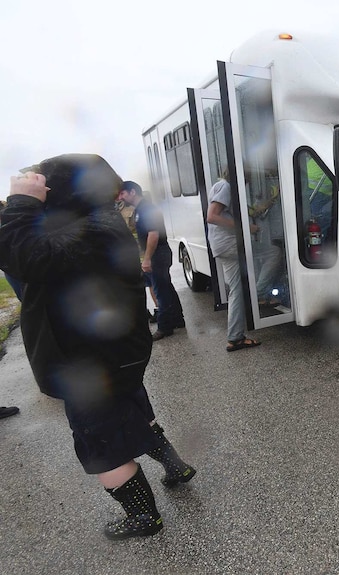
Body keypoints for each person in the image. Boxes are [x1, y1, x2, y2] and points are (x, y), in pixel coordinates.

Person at [0, 155, 196, 540]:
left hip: (92, 367)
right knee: (136, 417)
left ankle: (144, 518)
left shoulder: (83, 233)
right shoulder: (98, 223)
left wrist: (21, 202)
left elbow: (19, 256)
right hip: (115, 359)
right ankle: (177, 467)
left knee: (101, 444)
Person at [117, 181, 185, 340]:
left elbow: (153, 235)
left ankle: (164, 327)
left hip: (158, 254)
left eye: (123, 193)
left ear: (132, 192)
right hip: (157, 254)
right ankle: (177, 319)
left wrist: (147, 259)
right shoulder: (140, 209)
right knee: (166, 287)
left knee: (160, 291)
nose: (121, 197)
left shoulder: (147, 209)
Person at [206, 172, 261, 352]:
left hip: (223, 246)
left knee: (236, 289)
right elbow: (212, 216)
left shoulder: (220, 186)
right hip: (229, 245)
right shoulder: (226, 186)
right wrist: (246, 228)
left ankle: (236, 335)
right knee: (273, 253)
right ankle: (236, 336)